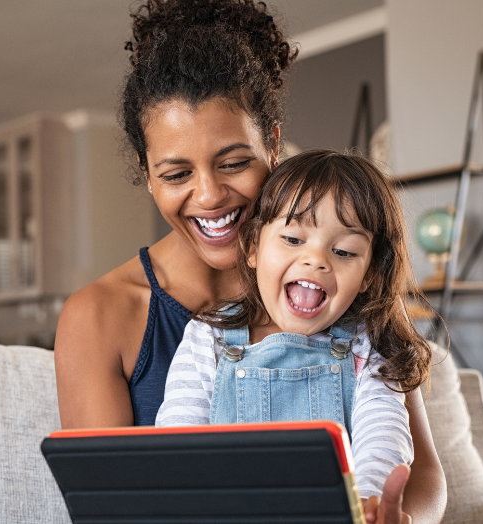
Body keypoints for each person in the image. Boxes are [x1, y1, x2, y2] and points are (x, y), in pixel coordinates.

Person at [54, 1, 447, 522]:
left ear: (274, 145)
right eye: (175, 175)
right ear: (147, 176)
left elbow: (422, 475)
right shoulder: (99, 317)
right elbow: (112, 506)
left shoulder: (343, 289)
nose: (210, 195)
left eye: (235, 163)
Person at [155, 150, 432, 519]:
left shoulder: (367, 344)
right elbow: (177, 442)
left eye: (344, 251)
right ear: (253, 247)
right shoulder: (208, 337)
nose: (316, 260)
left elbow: (383, 434)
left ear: (368, 274)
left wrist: (367, 501)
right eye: (292, 239)